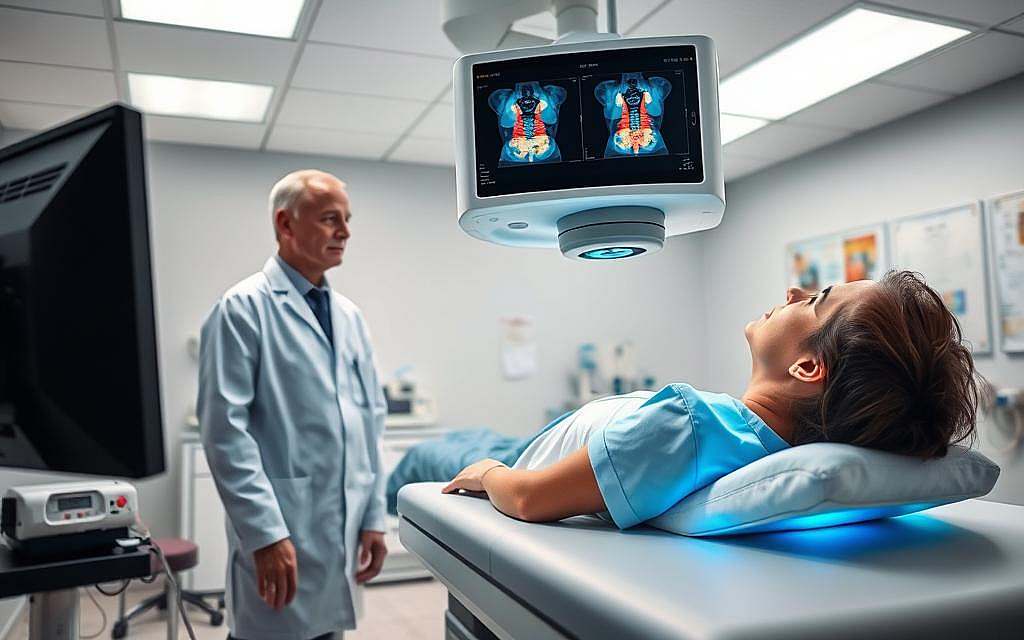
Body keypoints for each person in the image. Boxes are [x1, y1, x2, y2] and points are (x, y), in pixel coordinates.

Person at [443, 271, 980, 529]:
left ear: (808, 367)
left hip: (510, 456)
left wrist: (486, 471)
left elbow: (529, 498)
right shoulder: (756, 440)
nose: (793, 291)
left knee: (445, 451)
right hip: (559, 442)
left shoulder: (692, 424)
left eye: (816, 301)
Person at [198, 170, 387, 640]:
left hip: (339, 524)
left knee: (327, 632)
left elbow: (369, 420)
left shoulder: (349, 316)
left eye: (346, 219)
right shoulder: (241, 308)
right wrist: (264, 533)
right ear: (286, 224)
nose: (344, 232)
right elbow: (225, 431)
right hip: (282, 523)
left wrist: (373, 515)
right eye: (329, 219)